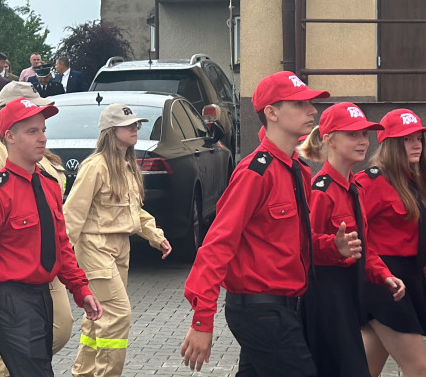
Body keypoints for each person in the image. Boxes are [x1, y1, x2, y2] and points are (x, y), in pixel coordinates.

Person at [180, 71, 358, 375]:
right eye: (300, 104)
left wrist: (333, 248)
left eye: (311, 104)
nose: (313, 111)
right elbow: (217, 245)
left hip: (284, 309)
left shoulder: (297, 172)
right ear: (272, 112)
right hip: (261, 312)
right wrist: (201, 320)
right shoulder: (255, 172)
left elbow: (291, 244)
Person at [0, 97, 103, 376]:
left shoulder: (48, 186)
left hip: (41, 296)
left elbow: (61, 245)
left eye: (43, 130)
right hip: (8, 301)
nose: (42, 139)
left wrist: (79, 289)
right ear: (10, 137)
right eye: (32, 131)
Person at [296, 102, 405, 377]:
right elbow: (303, 245)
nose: (362, 142)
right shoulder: (321, 190)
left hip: (347, 295)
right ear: (330, 140)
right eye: (353, 134)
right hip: (323, 298)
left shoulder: (354, 187)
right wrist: (334, 247)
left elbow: (363, 247)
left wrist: (383, 275)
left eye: (365, 135)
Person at [64, 103, 172, 377]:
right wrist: (60, 259)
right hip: (95, 247)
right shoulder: (95, 167)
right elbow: (73, 213)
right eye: (129, 126)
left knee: (98, 318)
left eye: (136, 125)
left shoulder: (127, 166)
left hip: (119, 248)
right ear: (111, 131)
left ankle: (84, 373)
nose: (135, 129)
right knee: (118, 316)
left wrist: (155, 236)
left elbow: (133, 210)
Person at [358, 109, 426, 376]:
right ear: (391, 144)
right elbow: (353, 230)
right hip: (383, 283)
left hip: (408, 278)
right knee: (419, 366)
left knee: (367, 366)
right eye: (408, 139)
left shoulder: (415, 180)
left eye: (419, 137)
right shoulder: (372, 182)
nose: (417, 144)